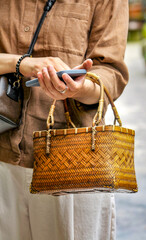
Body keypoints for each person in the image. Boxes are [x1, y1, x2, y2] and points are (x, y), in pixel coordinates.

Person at [0, 0, 129, 239]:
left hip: (73, 161)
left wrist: (78, 89)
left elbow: (111, 73)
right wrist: (21, 63)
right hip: (3, 153)